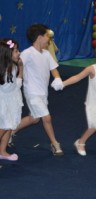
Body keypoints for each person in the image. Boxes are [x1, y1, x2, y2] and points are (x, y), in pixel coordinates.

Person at [14, 24, 64, 156]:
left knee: (34, 118)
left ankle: (10, 131)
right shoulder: (27, 53)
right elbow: (17, 65)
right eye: (47, 36)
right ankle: (55, 143)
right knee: (46, 117)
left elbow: (54, 69)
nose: (49, 39)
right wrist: (18, 77)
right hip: (32, 92)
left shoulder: (47, 54)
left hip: (43, 92)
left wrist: (57, 78)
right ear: (39, 37)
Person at [0, 39, 23, 161]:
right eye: (16, 51)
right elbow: (14, 87)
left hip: (9, 101)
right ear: (7, 54)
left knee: (9, 126)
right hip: (5, 102)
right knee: (4, 127)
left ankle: (2, 151)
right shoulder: (9, 70)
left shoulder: (10, 67)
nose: (19, 53)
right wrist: (21, 69)